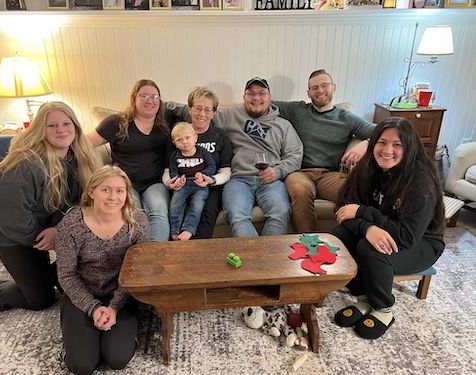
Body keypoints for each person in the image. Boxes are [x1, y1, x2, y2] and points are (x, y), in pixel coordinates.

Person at [0, 101, 101, 312]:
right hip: (12, 232)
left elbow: (81, 204)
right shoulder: (25, 163)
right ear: (40, 130)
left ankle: (51, 275)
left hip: (45, 226)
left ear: (75, 127)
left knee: (81, 270)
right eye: (52, 125)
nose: (61, 130)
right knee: (40, 299)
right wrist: (48, 238)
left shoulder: (80, 157)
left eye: (66, 123)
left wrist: (60, 232)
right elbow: (10, 216)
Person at [332, 117, 445, 339]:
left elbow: (406, 237)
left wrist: (364, 214)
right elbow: (344, 209)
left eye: (397, 144)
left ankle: (383, 308)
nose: (387, 150)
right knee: (340, 237)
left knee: (371, 249)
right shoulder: (367, 167)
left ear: (409, 147)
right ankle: (363, 298)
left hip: (422, 242)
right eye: (382, 142)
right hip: (378, 228)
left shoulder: (420, 181)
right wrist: (366, 227)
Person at [167, 77, 303, 237]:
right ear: (244, 97)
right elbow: (201, 111)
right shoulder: (231, 115)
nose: (256, 97)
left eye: (262, 93)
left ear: (270, 97)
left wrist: (278, 171)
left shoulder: (283, 125)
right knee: (236, 215)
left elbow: (295, 155)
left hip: (271, 180)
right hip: (238, 180)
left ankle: (265, 257)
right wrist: (161, 104)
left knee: (280, 212)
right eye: (250, 93)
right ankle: (253, 257)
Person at [56, 165, 150, 375]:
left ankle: (125, 329)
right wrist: (93, 308)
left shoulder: (138, 222)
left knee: (117, 359)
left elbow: (138, 271)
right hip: (82, 292)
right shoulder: (71, 226)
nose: (112, 197)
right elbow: (66, 274)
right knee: (82, 366)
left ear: (127, 194)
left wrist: (114, 307)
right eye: (105, 189)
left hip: (122, 292)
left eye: (120, 190)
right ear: (91, 192)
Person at [273, 69, 375, 233]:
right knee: (300, 190)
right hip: (299, 172)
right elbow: (263, 102)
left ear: (333, 88)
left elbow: (385, 131)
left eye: (324, 85)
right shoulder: (297, 110)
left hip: (332, 174)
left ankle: (352, 239)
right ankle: (309, 244)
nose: (320, 91)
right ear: (308, 93)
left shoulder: (346, 117)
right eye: (314, 88)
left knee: (357, 191)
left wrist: (366, 144)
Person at [88, 79, 171, 242]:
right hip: (124, 183)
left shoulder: (166, 122)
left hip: (155, 182)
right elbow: (88, 142)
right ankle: (139, 256)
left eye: (155, 97)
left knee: (158, 210)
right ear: (134, 98)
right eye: (144, 96)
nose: (150, 100)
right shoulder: (116, 122)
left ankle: (157, 254)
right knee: (135, 214)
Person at [163, 86, 233, 239]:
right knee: (177, 206)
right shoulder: (177, 135)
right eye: (198, 108)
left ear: (214, 113)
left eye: (208, 110)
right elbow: (168, 169)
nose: (202, 114)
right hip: (180, 184)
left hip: (209, 185)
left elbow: (226, 170)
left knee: (207, 209)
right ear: (189, 109)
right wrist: (171, 183)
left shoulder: (220, 136)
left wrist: (212, 180)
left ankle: (197, 252)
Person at [168, 122, 216, 240]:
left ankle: (188, 229)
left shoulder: (202, 152)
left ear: (195, 138)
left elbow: (211, 166)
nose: (184, 142)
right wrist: (177, 179)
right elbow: (173, 171)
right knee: (175, 203)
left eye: (187, 137)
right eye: (180, 140)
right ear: (175, 143)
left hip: (199, 184)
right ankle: (175, 230)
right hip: (183, 185)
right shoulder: (175, 155)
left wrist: (204, 174)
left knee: (197, 204)